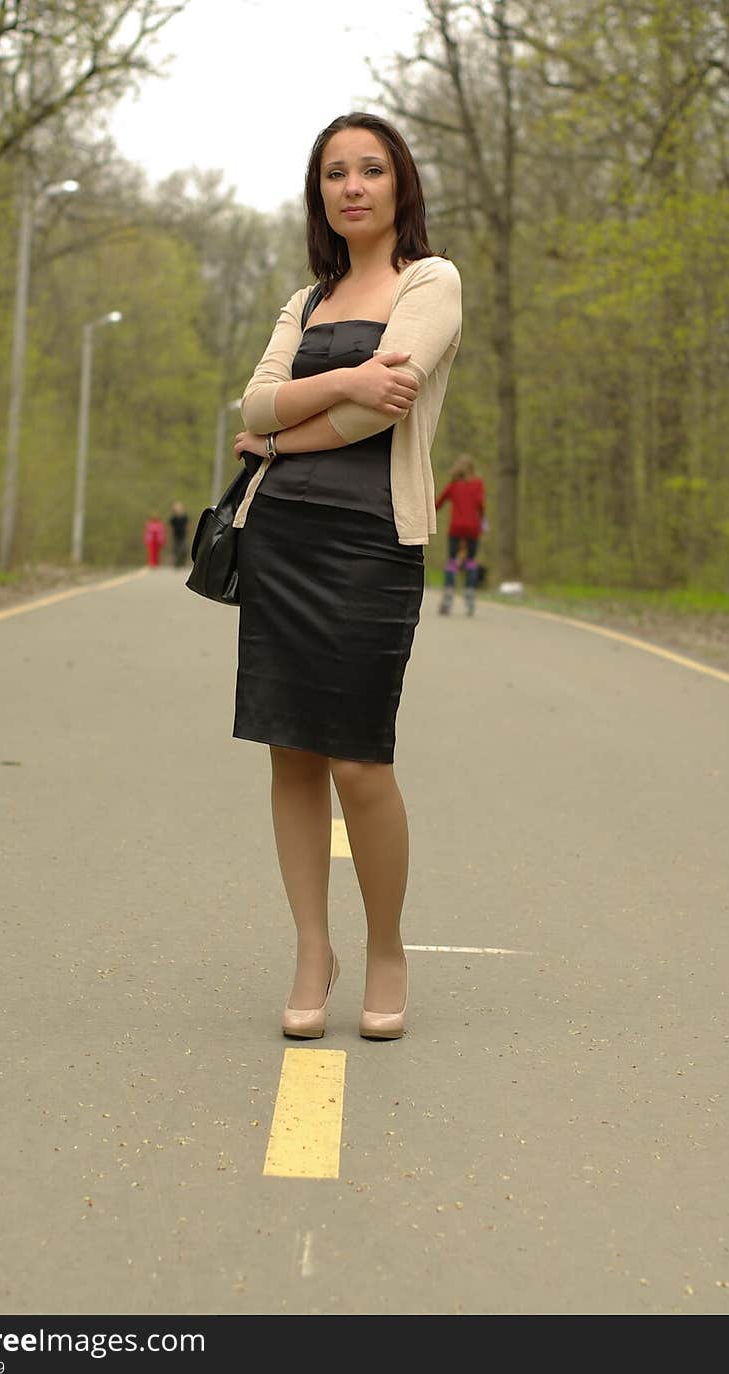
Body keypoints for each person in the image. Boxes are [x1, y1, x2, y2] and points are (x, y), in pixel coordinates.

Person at [230, 112, 462, 1041]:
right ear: (319, 192)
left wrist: (279, 434)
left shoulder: (430, 280)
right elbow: (250, 401)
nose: (354, 185)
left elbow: (385, 410)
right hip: (278, 537)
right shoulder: (307, 299)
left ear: (399, 183)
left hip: (372, 540)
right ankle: (310, 951)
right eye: (336, 173)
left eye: (371, 169)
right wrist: (341, 383)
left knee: (361, 760)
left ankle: (389, 947)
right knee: (291, 750)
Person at [435, 457, 486, 616]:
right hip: (472, 528)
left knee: (451, 561)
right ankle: (470, 594)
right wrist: (483, 520)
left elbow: (439, 503)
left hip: (456, 528)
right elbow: (480, 505)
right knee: (470, 561)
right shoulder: (478, 484)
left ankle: (448, 595)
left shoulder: (453, 486)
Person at [168, 501, 189, 568]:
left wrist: (187, 532)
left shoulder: (185, 517)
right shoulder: (173, 518)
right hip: (176, 535)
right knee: (175, 549)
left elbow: (187, 526)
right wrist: (171, 535)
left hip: (183, 535)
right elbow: (171, 527)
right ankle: (176, 563)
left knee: (184, 549)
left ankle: (183, 562)